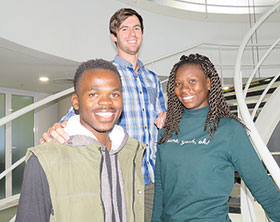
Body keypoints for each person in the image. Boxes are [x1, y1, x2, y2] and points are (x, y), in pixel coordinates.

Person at [41, 8, 166, 221]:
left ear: (142, 34)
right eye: (124, 29)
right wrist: (56, 129)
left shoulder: (152, 79)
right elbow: (76, 115)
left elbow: (162, 119)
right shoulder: (106, 75)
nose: (132, 34)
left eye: (136, 28)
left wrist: (167, 118)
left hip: (153, 179)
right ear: (114, 36)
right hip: (120, 174)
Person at [152, 53, 280, 221]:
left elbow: (260, 184)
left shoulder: (228, 129)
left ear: (208, 83)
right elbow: (161, 186)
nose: (184, 89)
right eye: (178, 84)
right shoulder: (167, 129)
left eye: (192, 81)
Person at [16, 59, 145, 222]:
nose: (106, 102)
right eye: (93, 94)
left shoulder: (131, 152)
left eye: (114, 94)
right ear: (76, 102)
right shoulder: (44, 159)